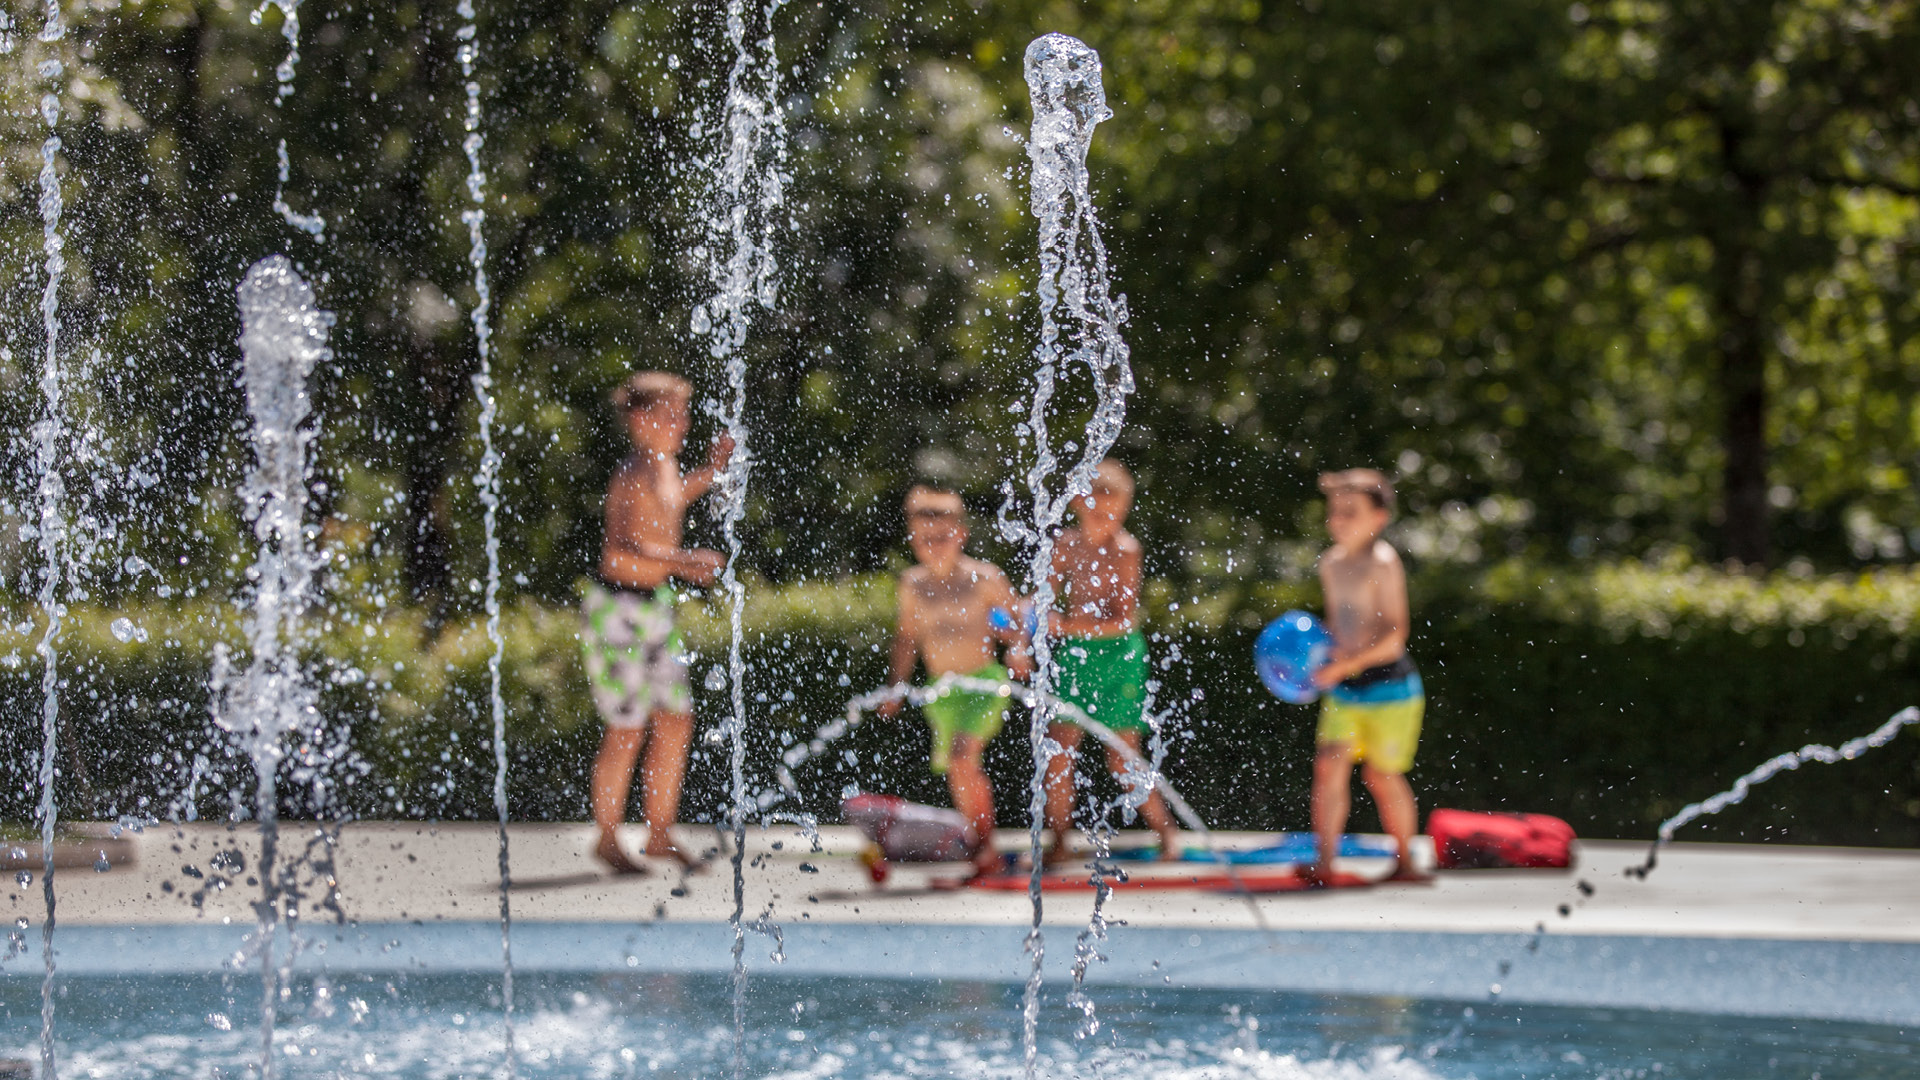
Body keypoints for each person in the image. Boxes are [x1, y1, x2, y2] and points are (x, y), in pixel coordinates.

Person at [583, 372, 731, 874]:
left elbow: (672, 503)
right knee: (627, 729)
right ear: (642, 421)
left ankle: (660, 834)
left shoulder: (664, 465)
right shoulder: (631, 471)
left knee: (675, 720)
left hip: (655, 607)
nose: (683, 423)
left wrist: (709, 471)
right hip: (619, 608)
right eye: (672, 415)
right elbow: (619, 553)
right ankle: (607, 839)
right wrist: (684, 561)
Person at [880, 486, 1031, 877]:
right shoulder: (913, 585)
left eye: (942, 537)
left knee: (963, 758)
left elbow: (1019, 622)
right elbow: (906, 639)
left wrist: (1018, 648)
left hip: (984, 684)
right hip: (942, 691)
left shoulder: (984, 578)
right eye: (925, 539)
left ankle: (984, 848)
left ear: (961, 534)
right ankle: (983, 847)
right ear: (913, 541)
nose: (935, 546)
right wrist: (896, 685)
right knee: (959, 770)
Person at [1042, 460, 1181, 864]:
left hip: (1119, 656)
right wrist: (1039, 622)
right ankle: (1058, 842)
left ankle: (1167, 834)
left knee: (1122, 757)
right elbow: (1045, 600)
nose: (1107, 519)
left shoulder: (1125, 549)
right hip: (1076, 655)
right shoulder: (1065, 545)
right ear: (1079, 504)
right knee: (1058, 752)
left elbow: (1124, 619)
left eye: (1115, 512)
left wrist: (1066, 626)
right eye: (1099, 510)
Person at [1305, 468, 1429, 884]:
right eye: (1334, 511)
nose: (1338, 520)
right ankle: (1324, 863)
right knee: (1328, 764)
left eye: (1350, 511)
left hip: (1391, 689)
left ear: (1379, 518)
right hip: (1345, 686)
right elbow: (1338, 624)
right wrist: (1319, 655)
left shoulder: (1384, 562)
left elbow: (1395, 634)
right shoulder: (1331, 563)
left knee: (1381, 775)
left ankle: (1406, 861)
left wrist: (1345, 662)